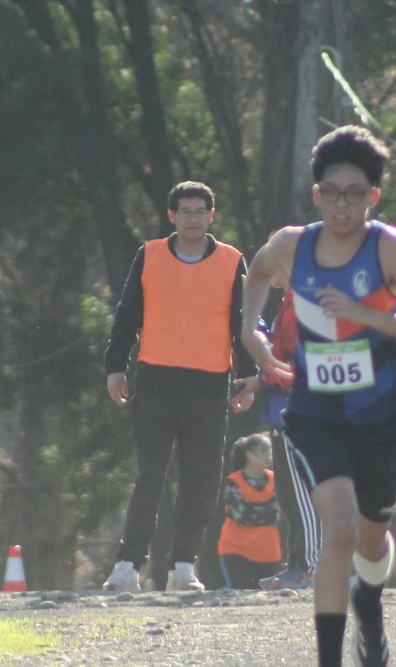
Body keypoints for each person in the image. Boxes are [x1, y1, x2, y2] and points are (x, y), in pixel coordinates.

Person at [241, 125, 396, 667]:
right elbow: (256, 274)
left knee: (370, 537)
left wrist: (366, 314)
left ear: (373, 199)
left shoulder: (390, 251)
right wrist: (251, 334)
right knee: (335, 533)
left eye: (354, 194)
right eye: (331, 192)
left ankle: (372, 598)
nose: (341, 205)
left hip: (379, 416)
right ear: (315, 194)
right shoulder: (291, 246)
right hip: (315, 414)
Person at [102, 181, 258, 593]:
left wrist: (248, 376)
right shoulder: (149, 255)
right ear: (171, 216)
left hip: (209, 384)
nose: (193, 218)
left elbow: (241, 322)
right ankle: (127, 564)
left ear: (212, 215)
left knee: (201, 479)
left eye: (200, 211)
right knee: (150, 475)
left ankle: (183, 566)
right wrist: (115, 366)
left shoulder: (231, 261)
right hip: (154, 380)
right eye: (185, 211)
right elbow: (127, 313)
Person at [256, 293, 317, 591]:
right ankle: (297, 563)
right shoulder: (287, 305)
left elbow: (299, 368)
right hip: (281, 414)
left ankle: (311, 565)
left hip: (295, 412)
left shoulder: (300, 307)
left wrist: (263, 378)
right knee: (289, 495)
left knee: (302, 493)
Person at [215, 432, 283, 589]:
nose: (269, 455)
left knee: (265, 602)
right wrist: (265, 510)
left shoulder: (275, 479)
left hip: (269, 553)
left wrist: (251, 510)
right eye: (264, 451)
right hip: (235, 551)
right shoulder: (233, 481)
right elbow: (239, 515)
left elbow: (276, 514)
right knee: (239, 595)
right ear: (250, 455)